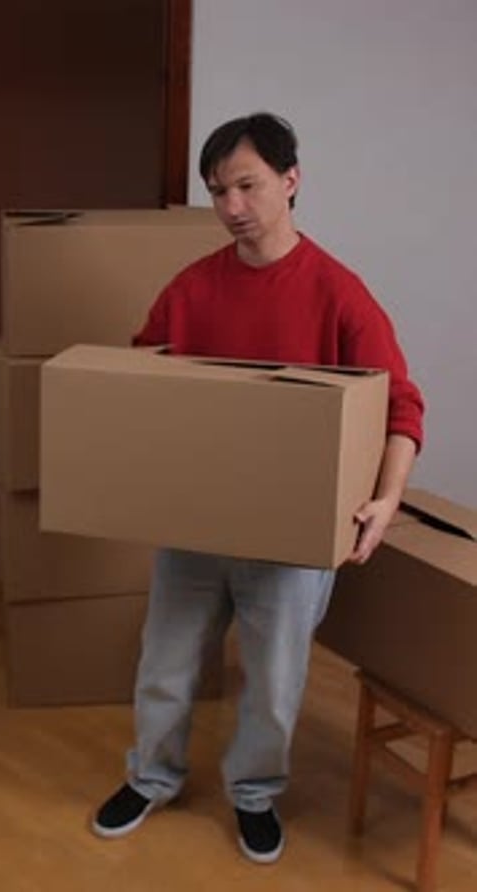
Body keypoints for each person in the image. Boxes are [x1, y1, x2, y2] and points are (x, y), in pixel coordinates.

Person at [92, 112, 424, 863]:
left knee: (274, 684)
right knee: (166, 661)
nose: (233, 205)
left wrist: (387, 497)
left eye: (247, 184)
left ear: (290, 180)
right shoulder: (194, 288)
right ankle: (152, 776)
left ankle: (254, 794)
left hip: (290, 536)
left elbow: (401, 403)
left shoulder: (339, 293)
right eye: (218, 191)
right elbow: (142, 378)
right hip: (200, 522)